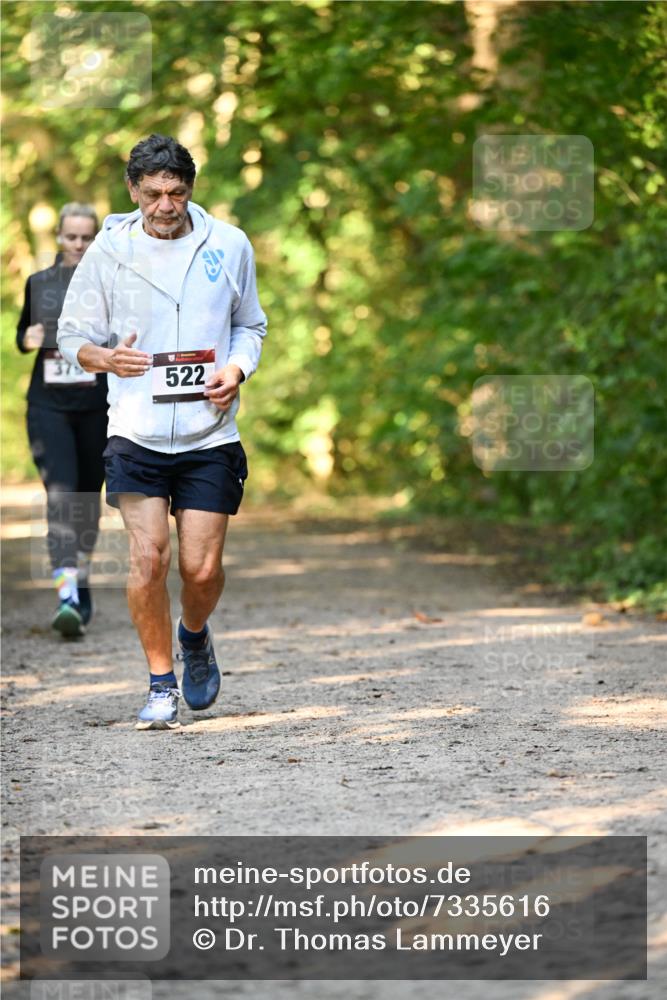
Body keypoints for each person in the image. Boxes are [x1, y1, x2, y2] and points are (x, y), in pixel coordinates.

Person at [57, 134, 267, 730]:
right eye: (153, 194)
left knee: (200, 571)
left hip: (209, 435)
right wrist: (106, 359)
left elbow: (250, 325)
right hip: (135, 432)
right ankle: (159, 683)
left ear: (191, 189)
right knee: (148, 559)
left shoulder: (228, 244)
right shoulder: (109, 251)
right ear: (133, 190)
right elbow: (72, 337)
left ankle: (193, 635)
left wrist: (236, 369)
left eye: (176, 193)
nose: (165, 206)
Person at [16, 202, 108, 638]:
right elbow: (22, 335)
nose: (78, 244)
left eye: (87, 238)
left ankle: (80, 575)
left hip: (97, 407)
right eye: (72, 237)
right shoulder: (40, 283)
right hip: (48, 406)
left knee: (88, 500)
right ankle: (67, 595)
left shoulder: (110, 284)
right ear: (58, 236)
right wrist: (28, 337)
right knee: (61, 496)